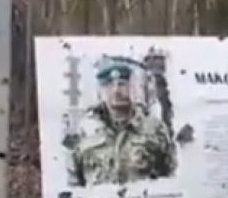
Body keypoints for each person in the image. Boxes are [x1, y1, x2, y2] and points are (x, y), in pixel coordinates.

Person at [66, 56, 177, 187]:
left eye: (122, 84)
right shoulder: (84, 133)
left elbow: (170, 178)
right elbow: (74, 185)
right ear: (100, 92)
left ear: (133, 87)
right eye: (108, 85)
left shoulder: (154, 129)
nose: (116, 91)